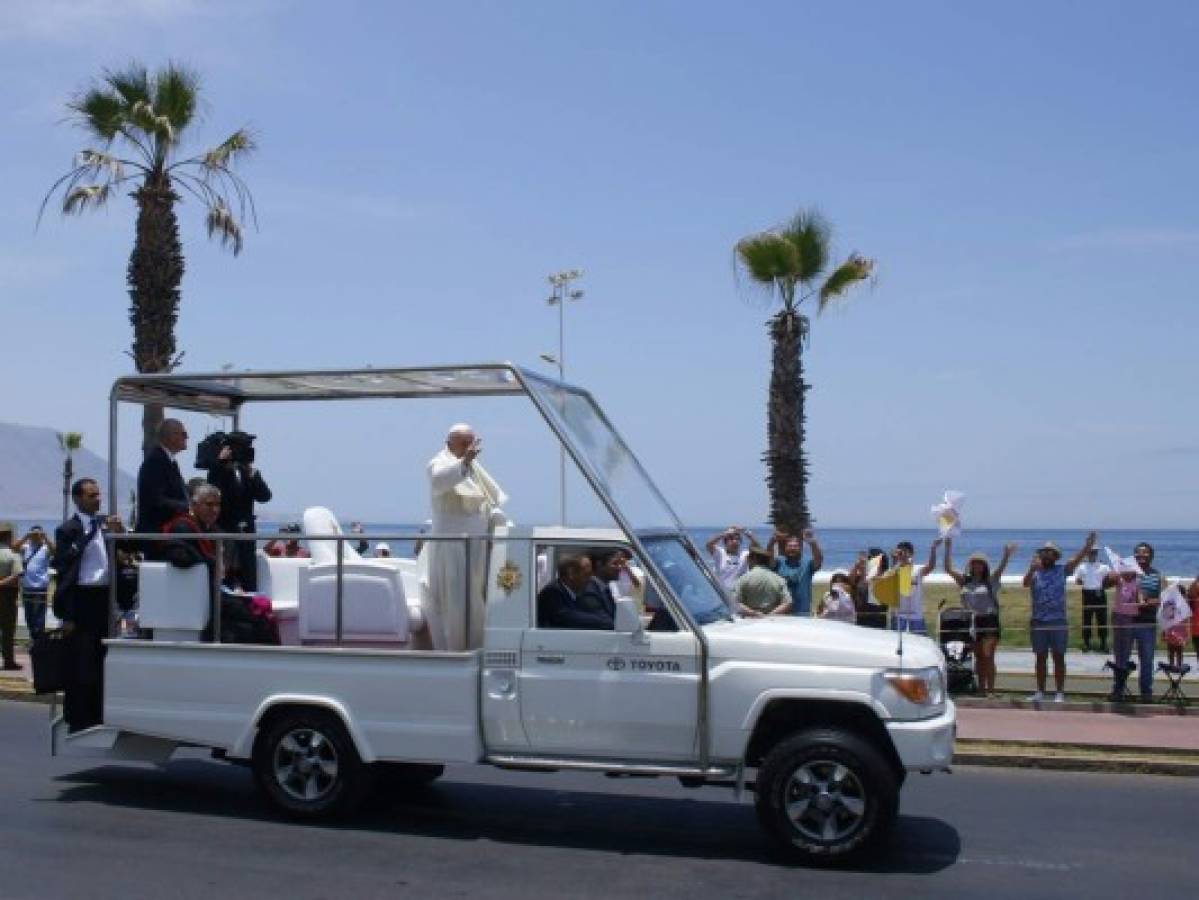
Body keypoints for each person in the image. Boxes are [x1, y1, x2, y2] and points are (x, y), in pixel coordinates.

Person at [426, 423, 509, 651]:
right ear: (449, 442)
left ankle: (475, 647)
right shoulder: (439, 463)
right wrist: (464, 463)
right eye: (464, 443)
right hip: (451, 547)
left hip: (476, 547)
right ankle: (454, 651)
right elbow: (440, 480)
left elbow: (486, 502)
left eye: (472, 443)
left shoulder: (473, 467)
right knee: (455, 603)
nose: (469, 448)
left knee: (475, 602)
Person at [53, 478, 124, 732]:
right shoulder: (68, 530)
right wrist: (67, 614)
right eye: (91, 495)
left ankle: (98, 711)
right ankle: (78, 716)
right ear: (78, 499)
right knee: (80, 659)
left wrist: (119, 531)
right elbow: (64, 569)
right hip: (81, 597)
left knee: (101, 657)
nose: (97, 499)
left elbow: (121, 555)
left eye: (98, 495)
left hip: (103, 596)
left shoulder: (105, 526)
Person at [1023, 532, 1096, 703]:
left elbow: (1076, 560)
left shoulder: (1061, 570)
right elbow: (1025, 583)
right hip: (1038, 621)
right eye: (1044, 552)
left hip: (1058, 621)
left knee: (1059, 657)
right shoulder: (1035, 572)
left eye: (1050, 552)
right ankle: (1040, 691)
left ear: (1055, 556)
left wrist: (1087, 546)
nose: (1046, 554)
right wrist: (1032, 568)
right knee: (1040, 657)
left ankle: (1059, 692)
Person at [945, 539, 1015, 697]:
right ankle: (981, 689)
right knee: (978, 657)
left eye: (980, 563)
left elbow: (1000, 570)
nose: (977, 566)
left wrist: (1006, 556)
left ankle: (991, 690)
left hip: (988, 621)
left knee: (988, 657)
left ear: (984, 566)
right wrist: (948, 547)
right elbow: (948, 569)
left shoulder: (990, 581)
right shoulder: (965, 581)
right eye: (974, 563)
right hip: (971, 622)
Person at [205, 432, 271, 590]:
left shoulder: (248, 471)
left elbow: (265, 496)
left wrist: (254, 477)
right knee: (226, 574)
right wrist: (220, 463)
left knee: (248, 574)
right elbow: (212, 488)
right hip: (226, 529)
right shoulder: (218, 469)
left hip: (246, 531)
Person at [1104, 542, 1163, 703]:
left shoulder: (1156, 575)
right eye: (1138, 553)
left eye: (1145, 553)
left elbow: (1159, 599)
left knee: (1147, 660)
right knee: (1121, 658)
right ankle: (1118, 689)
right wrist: (1111, 576)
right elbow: (1105, 585)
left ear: (1151, 556)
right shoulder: (1126, 571)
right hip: (1125, 621)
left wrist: (1151, 602)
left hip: (1147, 623)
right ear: (1134, 556)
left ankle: (1146, 692)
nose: (1142, 556)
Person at [136, 418, 190, 556]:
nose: (187, 437)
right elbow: (156, 501)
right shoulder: (155, 461)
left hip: (169, 535)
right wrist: (187, 508)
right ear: (171, 436)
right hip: (158, 537)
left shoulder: (170, 462)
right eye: (183, 434)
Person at [536, 554, 614, 630]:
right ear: (571, 574)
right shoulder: (552, 593)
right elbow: (569, 618)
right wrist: (607, 623)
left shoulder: (577, 593)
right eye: (586, 575)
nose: (590, 580)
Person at [767, 529, 823, 617]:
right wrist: (772, 542)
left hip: (802, 612)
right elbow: (769, 559)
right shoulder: (779, 562)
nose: (792, 548)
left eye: (795, 546)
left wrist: (813, 543)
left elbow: (818, 560)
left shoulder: (807, 563)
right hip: (781, 612)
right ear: (785, 548)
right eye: (789, 546)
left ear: (800, 548)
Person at [891, 539, 941, 635]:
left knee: (919, 644)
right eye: (900, 552)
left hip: (916, 615)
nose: (903, 554)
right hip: (899, 615)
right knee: (898, 644)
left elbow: (931, 567)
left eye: (906, 552)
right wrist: (895, 560)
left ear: (912, 554)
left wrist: (933, 549)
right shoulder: (895, 569)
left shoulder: (917, 569)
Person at [17, 525, 52, 643]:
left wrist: (45, 537)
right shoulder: (26, 547)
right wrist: (26, 536)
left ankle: (39, 641)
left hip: (40, 587)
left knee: (39, 617)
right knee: (29, 616)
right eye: (34, 534)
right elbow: (14, 548)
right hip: (27, 587)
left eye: (37, 534)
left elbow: (55, 551)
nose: (36, 536)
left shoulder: (45, 548)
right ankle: (34, 639)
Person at [731, 549, 791, 617]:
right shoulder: (779, 579)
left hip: (750, 622)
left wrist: (754, 613)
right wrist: (770, 615)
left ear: (753, 559)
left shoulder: (742, 579)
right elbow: (787, 602)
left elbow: (734, 602)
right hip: (774, 622)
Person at [1074, 547, 1111, 653]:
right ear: (1087, 553)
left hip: (1099, 593)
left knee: (1102, 619)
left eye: (1094, 552)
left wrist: (1102, 584)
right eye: (1090, 552)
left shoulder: (1104, 566)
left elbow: (1109, 579)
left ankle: (1103, 643)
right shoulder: (1082, 566)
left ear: (1097, 553)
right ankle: (1086, 643)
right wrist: (1086, 583)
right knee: (1086, 619)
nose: (1092, 554)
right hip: (1087, 593)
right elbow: (1078, 580)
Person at [705, 526, 760, 592]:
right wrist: (724, 534)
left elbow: (758, 548)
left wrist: (745, 532)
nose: (734, 541)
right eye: (731, 539)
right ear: (725, 542)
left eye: (737, 539)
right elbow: (708, 545)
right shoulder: (720, 553)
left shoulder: (744, 555)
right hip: (720, 592)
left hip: (737, 593)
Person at [0, 523, 24, 671]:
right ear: (9, 537)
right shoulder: (13, 555)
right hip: (7, 595)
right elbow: (16, 575)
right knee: (7, 630)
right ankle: (8, 661)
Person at [848, 548, 889, 629]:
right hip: (861, 618)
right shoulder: (860, 577)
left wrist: (863, 571)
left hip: (878, 618)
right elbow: (849, 581)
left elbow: (870, 585)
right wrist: (857, 566)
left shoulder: (885, 578)